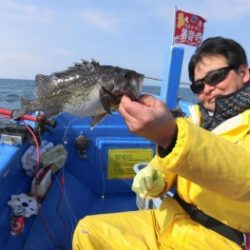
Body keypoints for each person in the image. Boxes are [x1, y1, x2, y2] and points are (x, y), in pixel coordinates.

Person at [72, 37, 250, 249]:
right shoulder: (198, 119)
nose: (207, 89)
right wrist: (157, 176)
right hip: (171, 220)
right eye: (198, 86)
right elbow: (178, 164)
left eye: (216, 77)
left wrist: (170, 136)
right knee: (88, 232)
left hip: (219, 239)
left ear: (244, 72)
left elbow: (242, 174)